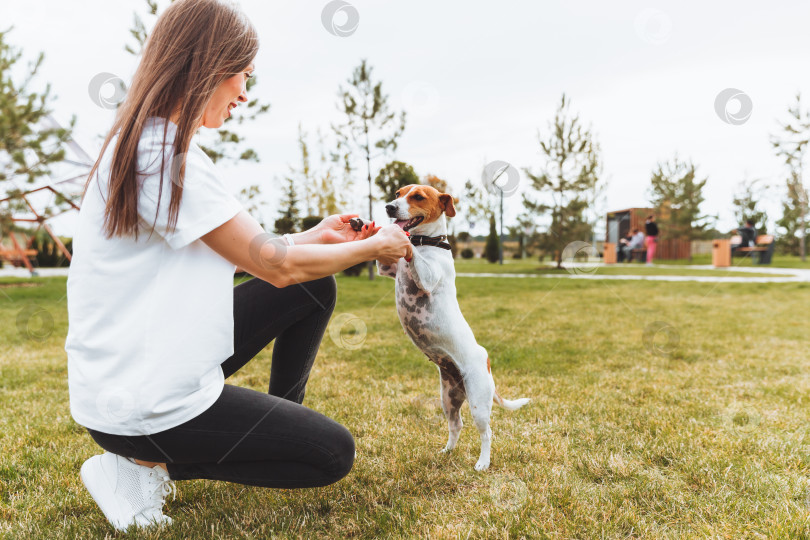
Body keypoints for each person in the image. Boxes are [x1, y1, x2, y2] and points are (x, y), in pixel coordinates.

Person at [64, 0, 412, 531]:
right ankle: (140, 464)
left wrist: (309, 237)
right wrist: (374, 247)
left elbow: (245, 253)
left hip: (135, 375)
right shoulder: (166, 158)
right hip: (140, 407)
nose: (244, 94)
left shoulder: (149, 144)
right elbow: (278, 269)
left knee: (312, 289)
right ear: (208, 68)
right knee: (331, 453)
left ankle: (274, 420)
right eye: (243, 76)